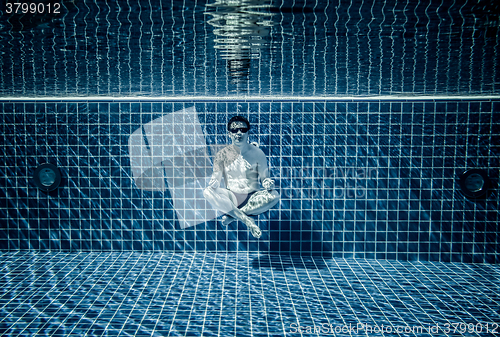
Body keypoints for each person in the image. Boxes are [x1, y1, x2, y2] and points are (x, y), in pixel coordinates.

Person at [203, 116, 280, 238]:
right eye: (234, 130)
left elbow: (265, 178)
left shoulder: (257, 153)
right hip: (231, 198)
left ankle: (233, 216)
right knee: (207, 192)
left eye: (243, 130)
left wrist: (267, 183)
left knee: (275, 195)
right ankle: (247, 220)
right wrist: (214, 182)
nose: (239, 133)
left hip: (252, 199)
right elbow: (216, 178)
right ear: (229, 134)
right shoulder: (221, 155)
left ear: (248, 132)